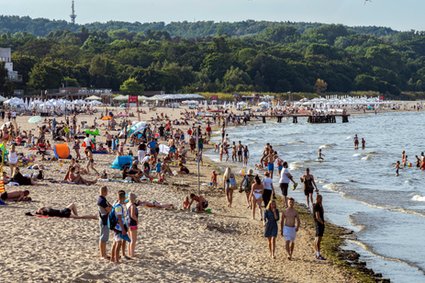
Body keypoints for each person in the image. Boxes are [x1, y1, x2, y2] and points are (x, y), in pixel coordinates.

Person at [111, 190, 128, 263]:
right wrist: (123, 229)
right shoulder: (119, 206)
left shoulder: (116, 204)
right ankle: (116, 259)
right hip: (118, 227)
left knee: (115, 242)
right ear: (122, 198)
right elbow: (120, 219)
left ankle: (112, 258)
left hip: (116, 226)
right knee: (118, 243)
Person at [98, 186, 112, 260]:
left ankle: (103, 254)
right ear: (104, 192)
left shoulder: (102, 199)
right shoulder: (102, 200)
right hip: (104, 220)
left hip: (104, 219)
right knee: (103, 238)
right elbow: (109, 209)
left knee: (103, 237)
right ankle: (103, 255)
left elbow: (110, 207)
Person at [313, 194, 326, 260]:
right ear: (317, 199)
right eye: (320, 199)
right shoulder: (316, 206)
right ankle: (318, 254)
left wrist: (321, 204)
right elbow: (317, 217)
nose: (321, 200)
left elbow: (323, 212)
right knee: (318, 240)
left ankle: (317, 253)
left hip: (318, 224)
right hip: (319, 224)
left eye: (322, 199)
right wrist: (322, 223)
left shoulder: (319, 205)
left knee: (316, 239)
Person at [127, 193, 139, 258]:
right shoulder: (133, 205)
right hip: (133, 223)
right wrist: (137, 220)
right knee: (133, 240)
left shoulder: (128, 204)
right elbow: (132, 215)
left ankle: (130, 252)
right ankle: (132, 254)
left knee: (130, 239)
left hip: (128, 223)